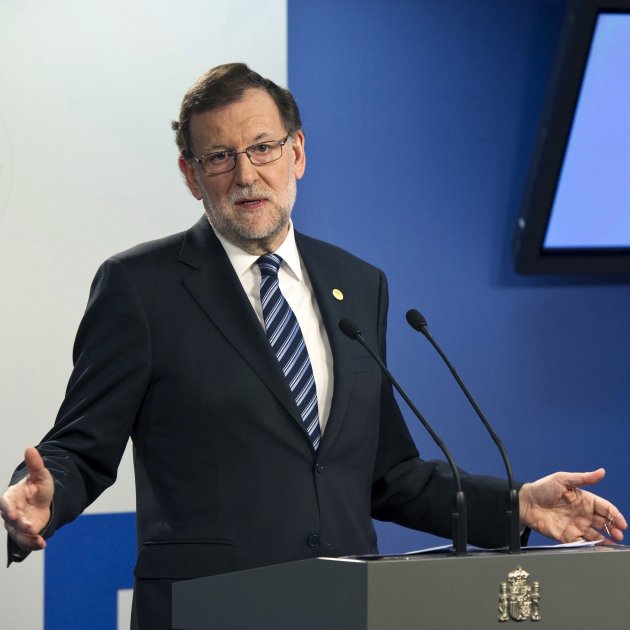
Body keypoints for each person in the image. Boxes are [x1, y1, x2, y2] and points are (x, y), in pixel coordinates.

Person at [1, 63, 626, 629]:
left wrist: (518, 505)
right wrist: (42, 496)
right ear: (191, 176)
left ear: (296, 152)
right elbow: (82, 447)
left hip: (347, 608)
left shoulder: (359, 284)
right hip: (209, 610)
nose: (246, 174)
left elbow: (390, 474)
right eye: (219, 157)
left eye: (263, 148)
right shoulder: (141, 287)